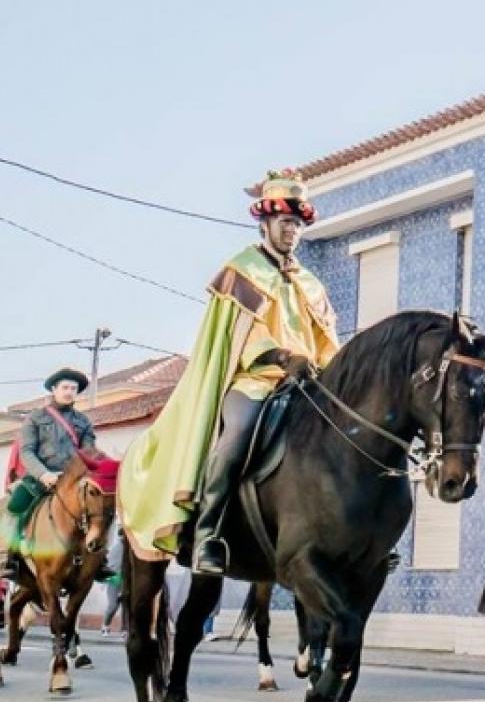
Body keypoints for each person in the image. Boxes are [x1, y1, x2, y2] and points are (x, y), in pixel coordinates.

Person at [120, 169, 340, 574]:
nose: (292, 231)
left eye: (297, 224)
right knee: (237, 434)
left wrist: (336, 369)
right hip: (255, 381)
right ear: (266, 224)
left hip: (307, 385)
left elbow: (327, 341)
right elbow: (242, 335)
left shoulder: (310, 284)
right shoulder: (243, 271)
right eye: (284, 222)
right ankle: (208, 533)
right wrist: (277, 357)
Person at [1, 368, 114, 581]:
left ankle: (101, 559)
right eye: (65, 387)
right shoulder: (36, 417)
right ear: (54, 389)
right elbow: (27, 451)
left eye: (73, 388)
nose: (69, 392)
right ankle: (11, 559)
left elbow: (89, 451)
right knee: (13, 506)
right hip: (41, 477)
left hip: (74, 480)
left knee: (101, 506)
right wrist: (44, 474)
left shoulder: (83, 421)